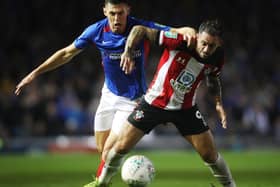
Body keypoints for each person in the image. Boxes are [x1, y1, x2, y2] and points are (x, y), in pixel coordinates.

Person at [14, 0, 196, 183]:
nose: (117, 19)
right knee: (103, 151)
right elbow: (66, 53)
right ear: (105, 12)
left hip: (132, 100)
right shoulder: (97, 31)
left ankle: (100, 183)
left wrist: (187, 30)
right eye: (112, 14)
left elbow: (175, 31)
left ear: (128, 11)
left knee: (110, 151)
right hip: (108, 95)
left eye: (120, 13)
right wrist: (35, 73)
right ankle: (108, 173)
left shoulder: (141, 28)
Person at [87, 19, 237, 187]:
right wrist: (128, 51)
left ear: (219, 44)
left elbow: (212, 78)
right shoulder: (181, 40)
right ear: (197, 36)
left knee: (210, 155)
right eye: (204, 43)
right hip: (153, 104)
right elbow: (140, 30)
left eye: (212, 46)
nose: (206, 49)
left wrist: (218, 103)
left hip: (185, 109)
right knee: (120, 147)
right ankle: (101, 183)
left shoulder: (218, 56)